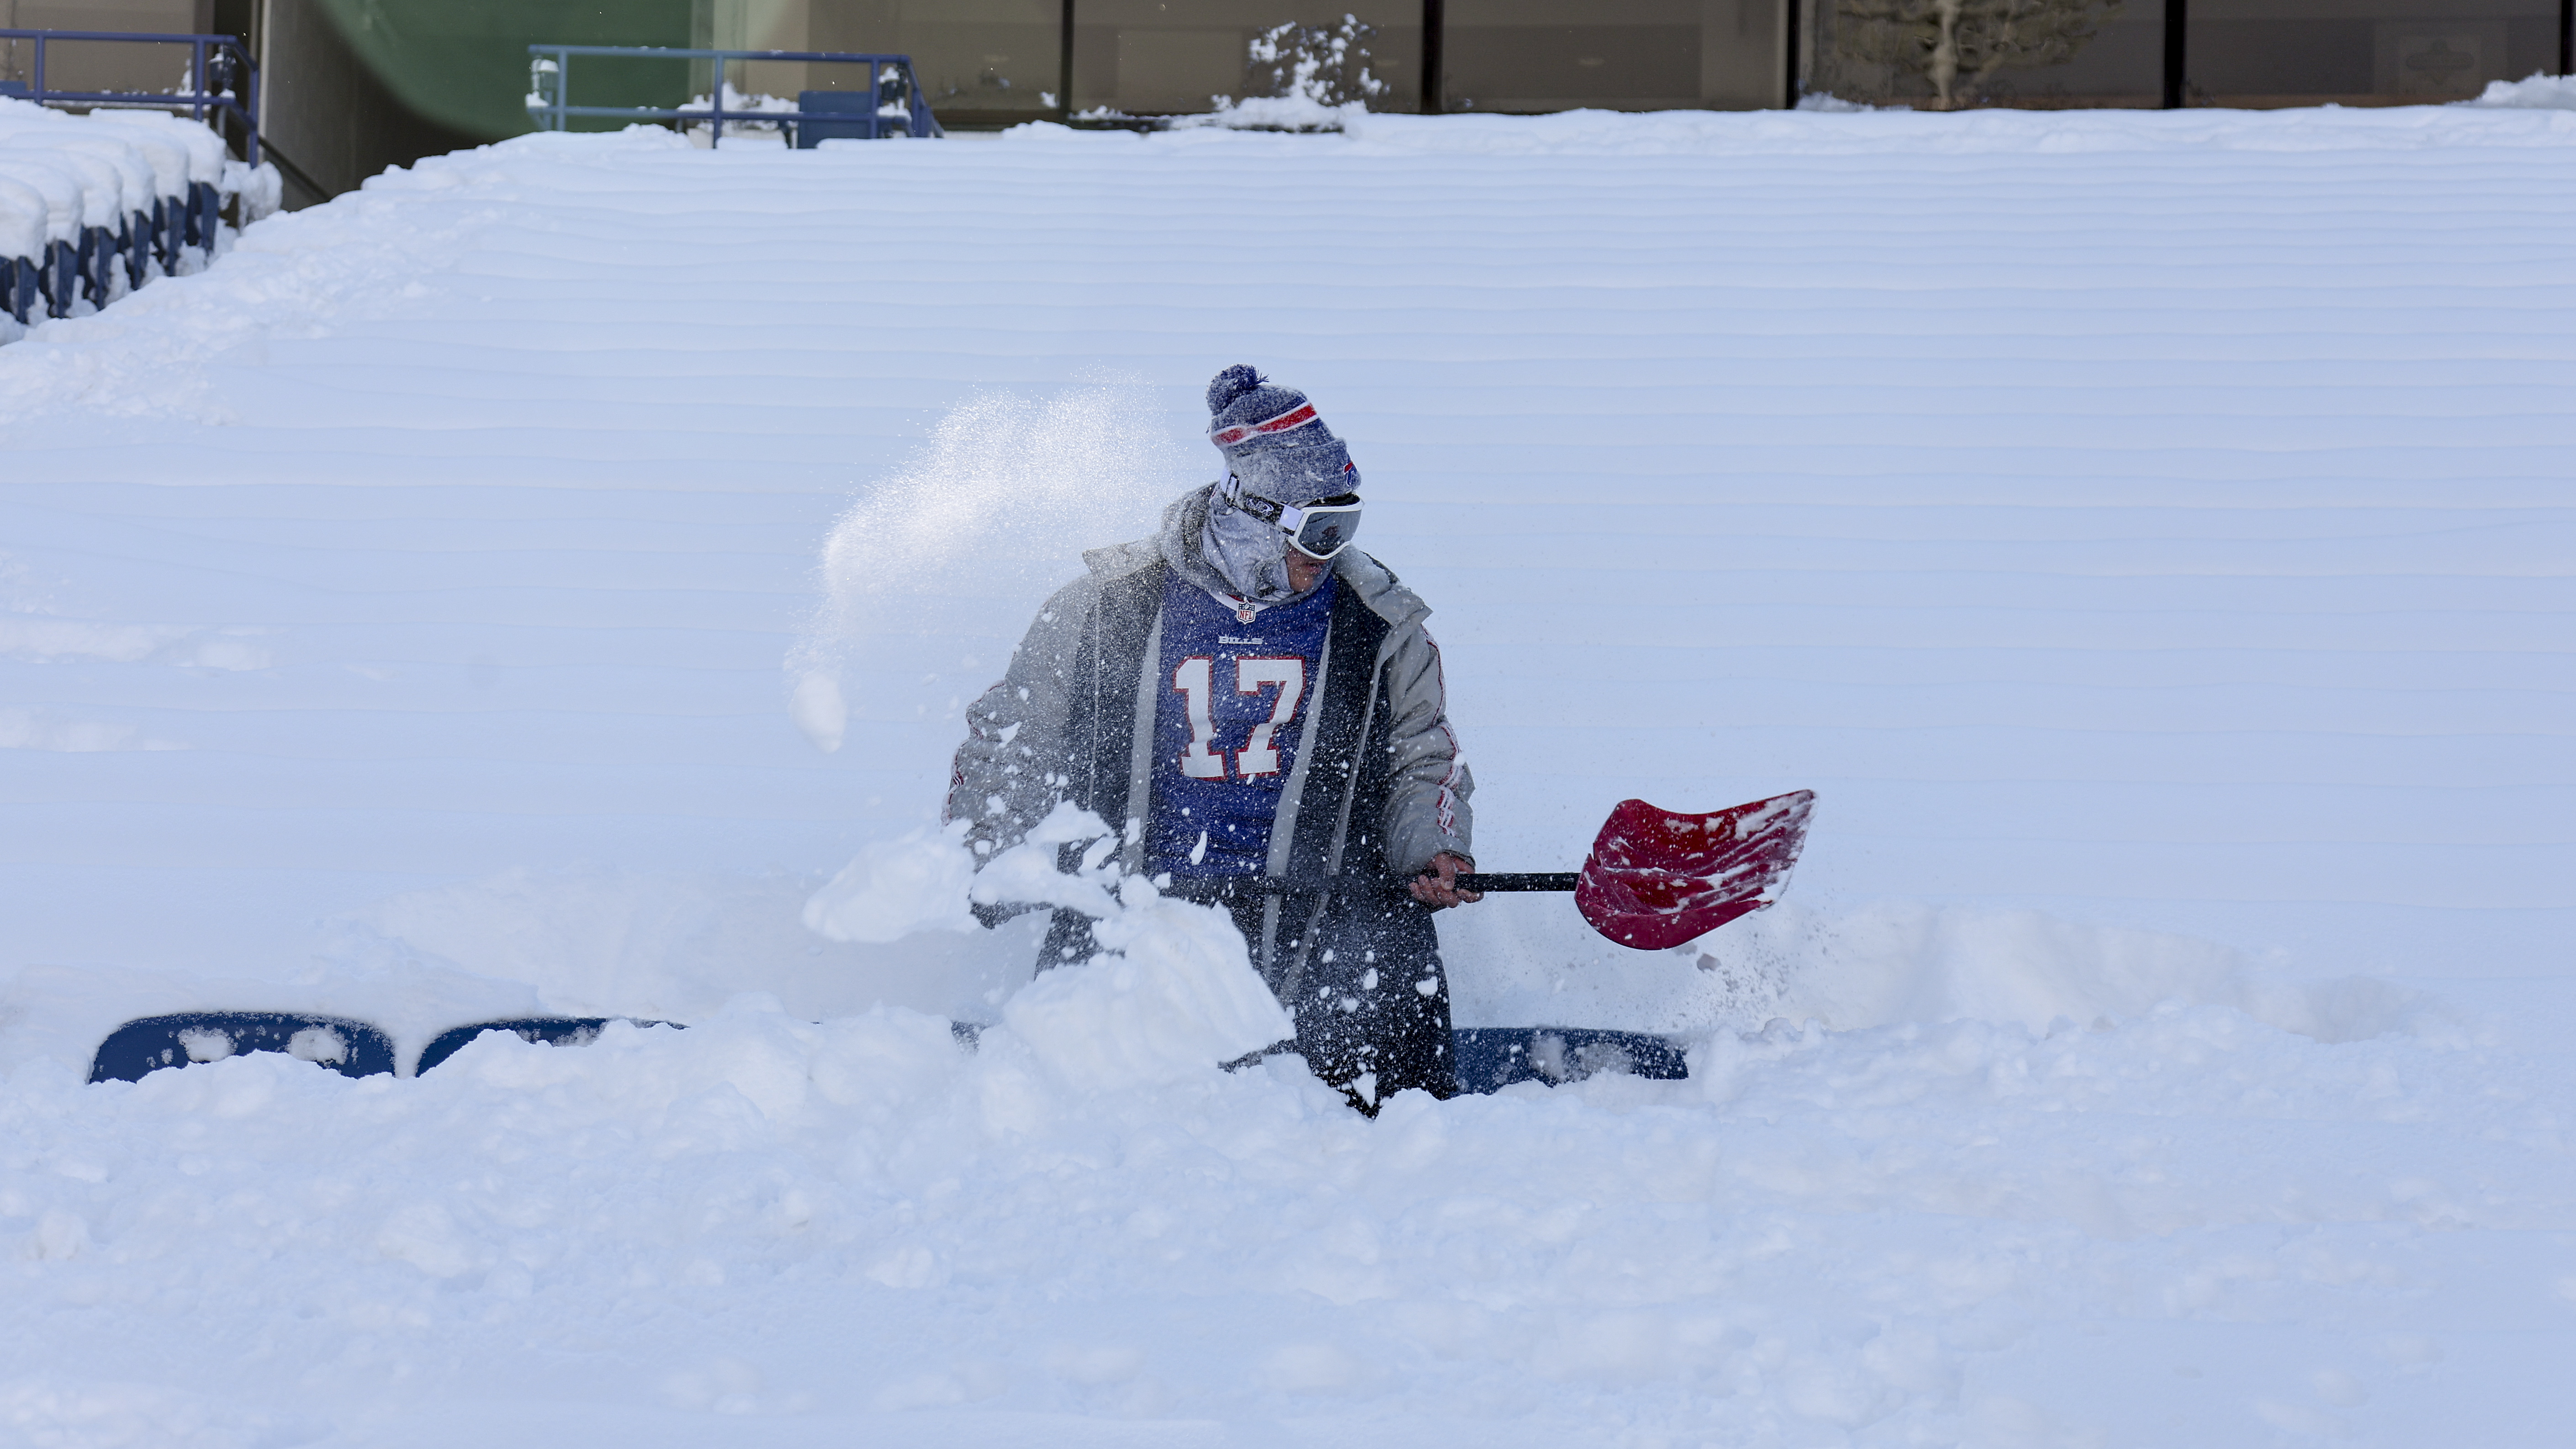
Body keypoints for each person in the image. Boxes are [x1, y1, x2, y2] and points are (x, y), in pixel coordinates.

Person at [947, 365, 1479, 1111]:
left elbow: (1424, 758)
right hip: (1136, 925)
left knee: (1365, 1154)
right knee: (1103, 1143)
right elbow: (1016, 736)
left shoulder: (1379, 625)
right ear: (1252, 515)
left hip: (1327, 932)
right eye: (1318, 530)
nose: (1329, 553)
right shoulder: (1109, 607)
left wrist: (1431, 849)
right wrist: (989, 849)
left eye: (1346, 527)